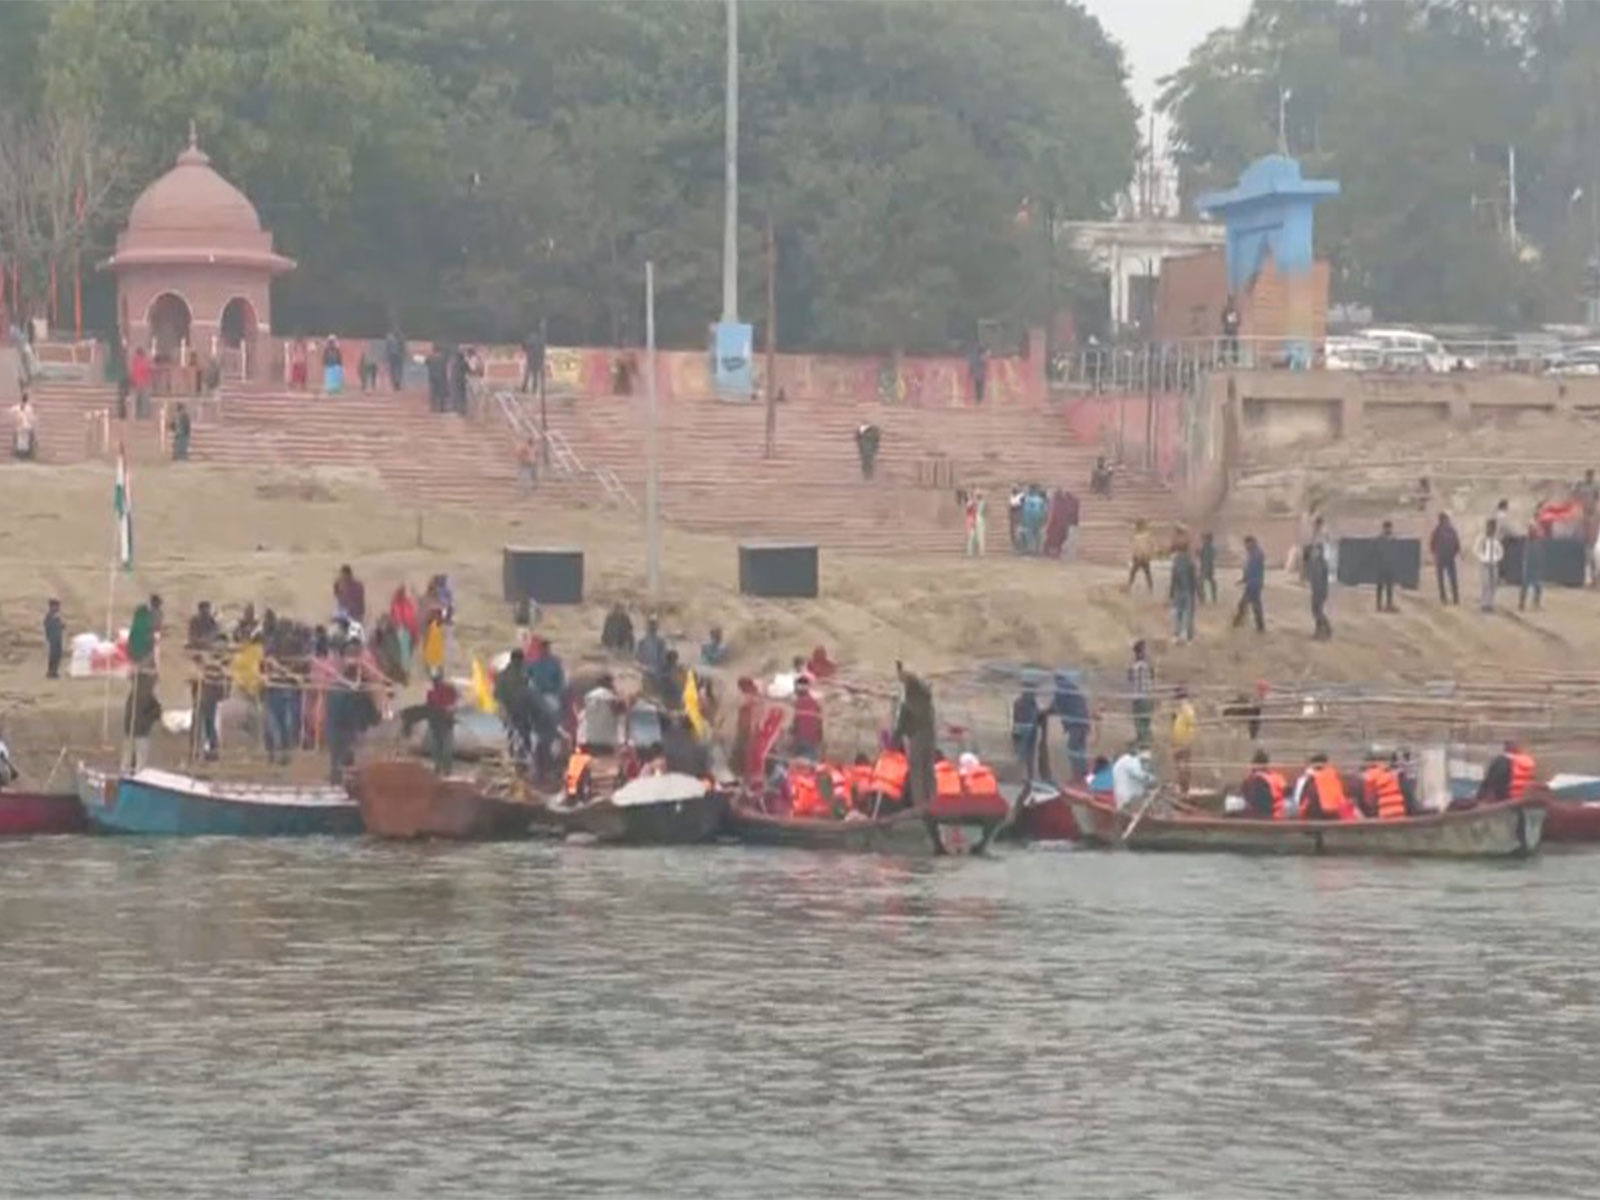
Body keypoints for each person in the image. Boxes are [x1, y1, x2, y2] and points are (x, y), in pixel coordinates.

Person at [894, 662, 936, 808]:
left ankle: (919, 806)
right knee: (929, 770)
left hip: (916, 738)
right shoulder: (926, 699)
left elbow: (900, 728)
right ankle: (933, 800)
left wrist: (892, 744)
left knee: (916, 773)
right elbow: (915, 681)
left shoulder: (908, 705)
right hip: (930, 737)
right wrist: (900, 670)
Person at [1053, 670, 1091, 781]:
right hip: (1084, 721)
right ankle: (1085, 775)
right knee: (1081, 748)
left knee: (1072, 748)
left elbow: (1055, 706)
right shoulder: (1075, 688)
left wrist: (1043, 712)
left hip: (1075, 723)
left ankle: (1077, 775)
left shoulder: (1061, 689)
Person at [1297, 752, 1356, 821]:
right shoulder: (1337, 778)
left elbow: (1301, 802)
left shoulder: (1308, 780)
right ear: (1327, 764)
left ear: (1311, 766)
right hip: (1336, 818)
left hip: (1314, 819)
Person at [1476, 740, 1536, 805]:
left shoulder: (1501, 761)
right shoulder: (1528, 761)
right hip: (1521, 798)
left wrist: (1480, 797)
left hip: (1503, 800)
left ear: (1505, 748)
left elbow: (1492, 781)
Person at [423, 668, 458, 775]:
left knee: (446, 749)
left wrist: (452, 709)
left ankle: (447, 770)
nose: (435, 682)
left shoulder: (449, 689)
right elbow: (429, 706)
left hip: (446, 723)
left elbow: (456, 703)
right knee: (436, 748)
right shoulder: (431, 692)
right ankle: (438, 768)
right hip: (435, 723)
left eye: (437, 679)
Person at [577, 674, 622, 754]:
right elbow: (621, 711)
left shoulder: (589, 696)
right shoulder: (611, 698)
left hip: (590, 739)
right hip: (606, 741)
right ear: (610, 683)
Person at [1232, 534, 1266, 632]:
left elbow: (1252, 570)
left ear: (1252, 543)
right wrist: (1243, 579)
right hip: (1253, 583)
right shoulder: (1252, 554)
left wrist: (1246, 579)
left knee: (1248, 604)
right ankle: (1258, 626)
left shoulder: (1257, 554)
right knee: (1251, 605)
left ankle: (1238, 622)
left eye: (1247, 544)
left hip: (1254, 584)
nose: (1245, 547)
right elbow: (1248, 570)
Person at [1362, 750, 1408, 821]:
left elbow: (1369, 800)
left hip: (1385, 811)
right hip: (1399, 810)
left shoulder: (1369, 777)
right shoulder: (1390, 774)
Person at [1240, 749, 1286, 819]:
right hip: (1279, 816)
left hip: (1264, 817)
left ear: (1255, 765)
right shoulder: (1277, 777)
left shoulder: (1255, 780)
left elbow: (1257, 804)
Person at [1111, 744, 1154, 813]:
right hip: (1126, 795)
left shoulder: (1125, 760)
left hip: (1122, 793)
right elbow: (1140, 775)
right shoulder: (1131, 761)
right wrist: (1151, 778)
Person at [1170, 539, 1198, 643]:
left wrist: (1171, 591)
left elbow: (1173, 577)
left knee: (1178, 614)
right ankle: (1188, 637)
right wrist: (1197, 592)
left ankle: (1176, 635)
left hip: (1178, 590)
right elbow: (1193, 577)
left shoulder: (1176, 561)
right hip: (1188, 591)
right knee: (1189, 614)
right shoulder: (1190, 561)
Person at [1170, 687, 1197, 796]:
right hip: (1177, 742)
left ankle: (1184, 789)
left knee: (1183, 767)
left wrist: (1187, 742)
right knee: (1179, 767)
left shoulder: (1187, 710)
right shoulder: (1179, 711)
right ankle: (1181, 788)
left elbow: (1191, 726)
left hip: (1183, 743)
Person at [1127, 640, 1153, 748]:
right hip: (1148, 697)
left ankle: (1143, 742)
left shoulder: (1133, 668)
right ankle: (1145, 740)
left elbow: (1130, 679)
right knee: (1146, 720)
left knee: (1139, 721)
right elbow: (1152, 677)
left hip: (1138, 698)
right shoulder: (1147, 666)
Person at [1430, 511, 1461, 605]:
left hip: (1442, 557)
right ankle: (1455, 598)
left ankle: (1444, 598)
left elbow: (1432, 545)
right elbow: (1457, 544)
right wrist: (1455, 553)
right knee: (1452, 578)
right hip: (1449, 557)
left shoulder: (1437, 530)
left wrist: (1435, 554)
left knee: (1442, 579)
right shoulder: (1451, 530)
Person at [1474, 518, 1503, 612]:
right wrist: (1481, 557)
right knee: (1486, 584)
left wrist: (1497, 558)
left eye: (1493, 528)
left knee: (1493, 584)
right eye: (1490, 527)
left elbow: (1500, 551)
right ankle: (1484, 603)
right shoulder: (1482, 538)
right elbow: (1476, 549)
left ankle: (1490, 603)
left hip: (1494, 564)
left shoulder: (1496, 539)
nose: (1491, 529)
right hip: (1485, 564)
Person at [1011, 687, 1041, 778]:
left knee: (1021, 752)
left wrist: (1014, 730)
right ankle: (1030, 775)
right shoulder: (1033, 703)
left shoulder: (1017, 702)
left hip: (1020, 727)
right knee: (1030, 753)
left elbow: (1015, 717)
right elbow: (1037, 714)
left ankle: (1021, 775)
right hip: (1032, 727)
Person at [791, 675, 824, 758]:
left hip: (801, 741)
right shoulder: (815, 704)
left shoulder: (799, 703)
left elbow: (795, 725)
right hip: (811, 741)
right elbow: (820, 725)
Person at [1306, 539, 1333, 640]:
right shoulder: (1315, 562)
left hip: (1319, 591)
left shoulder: (1319, 563)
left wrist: (1317, 593)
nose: (1313, 552)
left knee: (1317, 612)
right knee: (1316, 611)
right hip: (1317, 591)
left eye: (1315, 550)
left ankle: (1326, 629)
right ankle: (1319, 630)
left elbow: (1318, 580)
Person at [1520, 519, 1546, 612]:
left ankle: (1534, 603)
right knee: (1528, 585)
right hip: (1530, 564)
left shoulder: (1536, 540)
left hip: (1534, 563)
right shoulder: (1530, 541)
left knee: (1537, 586)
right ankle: (1523, 604)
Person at [635, 616, 667, 688]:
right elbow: (663, 660)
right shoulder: (642, 642)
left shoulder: (659, 642)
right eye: (651, 626)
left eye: (652, 626)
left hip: (652, 672)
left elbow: (662, 660)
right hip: (651, 672)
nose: (651, 628)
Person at [1375, 519, 1399, 613]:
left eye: (1389, 528)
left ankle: (1388, 604)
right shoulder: (1380, 540)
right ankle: (1379, 605)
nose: (1388, 530)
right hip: (1382, 566)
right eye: (1387, 528)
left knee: (1389, 587)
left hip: (1389, 566)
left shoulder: (1391, 539)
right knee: (1381, 587)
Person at [1128, 519, 1155, 591]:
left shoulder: (1138, 536)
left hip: (1139, 558)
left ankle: (1129, 587)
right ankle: (1151, 589)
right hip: (1144, 557)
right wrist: (1149, 555)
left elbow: (1135, 547)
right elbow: (1151, 546)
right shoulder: (1147, 535)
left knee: (1133, 573)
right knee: (1147, 574)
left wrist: (1133, 556)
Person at [10, 392, 36, 460]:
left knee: (21, 441)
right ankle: (24, 456)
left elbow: (12, 411)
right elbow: (31, 417)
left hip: (21, 426)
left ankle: (21, 456)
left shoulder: (18, 407)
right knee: (25, 441)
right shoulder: (29, 408)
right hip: (26, 426)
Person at [129, 346, 153, 419]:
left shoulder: (141, 362)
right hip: (139, 385)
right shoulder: (137, 362)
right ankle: (140, 416)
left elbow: (145, 373)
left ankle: (139, 416)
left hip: (141, 385)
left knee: (141, 402)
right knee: (141, 402)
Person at [522, 327, 546, 394]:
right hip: (536, 359)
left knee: (528, 373)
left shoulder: (530, 338)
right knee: (534, 375)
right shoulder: (540, 339)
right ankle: (533, 389)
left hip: (531, 358)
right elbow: (542, 350)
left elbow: (524, 348)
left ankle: (525, 388)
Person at [43, 598, 63, 679]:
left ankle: (54, 671)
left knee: (58, 655)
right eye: (56, 606)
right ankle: (51, 671)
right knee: (53, 655)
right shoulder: (49, 616)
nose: (58, 608)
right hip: (53, 638)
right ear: (52, 606)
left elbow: (60, 626)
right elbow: (47, 627)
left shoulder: (56, 616)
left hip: (58, 637)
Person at [964, 489, 987, 557]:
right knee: (972, 536)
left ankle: (980, 552)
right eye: (976, 495)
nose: (976, 496)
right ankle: (971, 552)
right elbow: (969, 509)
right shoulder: (972, 503)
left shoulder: (981, 502)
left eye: (977, 495)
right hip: (973, 519)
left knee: (980, 536)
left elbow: (981, 511)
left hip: (979, 519)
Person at [1220, 294, 1240, 364]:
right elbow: (1222, 318)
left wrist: (1235, 325)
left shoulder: (1235, 311)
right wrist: (1227, 325)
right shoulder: (1226, 310)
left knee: (1234, 345)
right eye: (1230, 301)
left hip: (1233, 330)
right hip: (1227, 330)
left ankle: (1235, 359)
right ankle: (1222, 359)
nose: (1231, 303)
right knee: (1224, 344)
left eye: (1232, 301)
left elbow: (1239, 320)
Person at [1198, 531, 1217, 603]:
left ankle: (1202, 598)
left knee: (1200, 583)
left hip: (1206, 567)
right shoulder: (1209, 547)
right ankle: (1213, 597)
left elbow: (1205, 558)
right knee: (1211, 582)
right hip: (1208, 567)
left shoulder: (1208, 547)